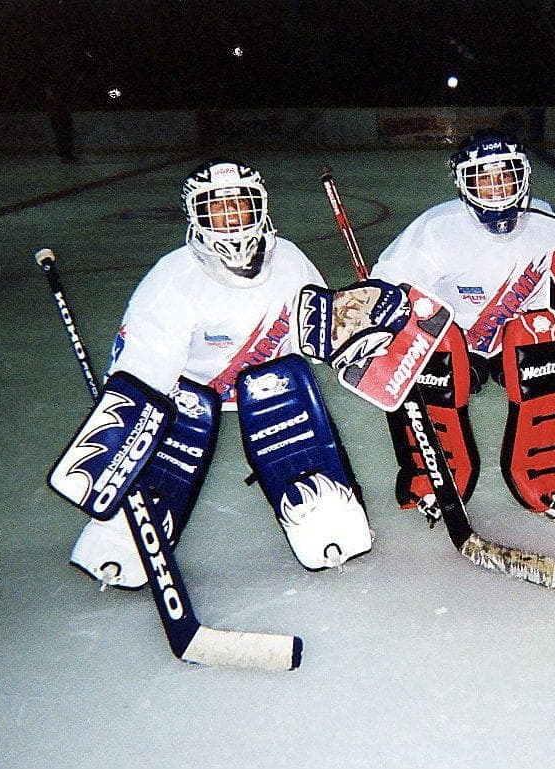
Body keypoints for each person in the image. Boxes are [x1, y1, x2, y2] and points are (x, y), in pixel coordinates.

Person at [66, 159, 371, 588]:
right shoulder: (173, 279)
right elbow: (140, 375)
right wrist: (121, 436)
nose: (230, 220)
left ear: (260, 208)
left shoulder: (290, 261)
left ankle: (319, 508)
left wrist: (361, 326)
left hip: (275, 391)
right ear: (195, 216)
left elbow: (319, 336)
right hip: (187, 396)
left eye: (240, 206)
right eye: (216, 208)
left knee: (282, 396)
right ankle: (134, 519)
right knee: (172, 422)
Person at [371, 128, 555, 525]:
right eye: (483, 177)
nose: (496, 188)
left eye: (505, 175)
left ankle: (546, 471)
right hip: (456, 343)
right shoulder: (437, 228)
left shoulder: (547, 223)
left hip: (521, 344)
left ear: (522, 176)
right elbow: (387, 284)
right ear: (463, 183)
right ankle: (433, 475)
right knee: (429, 352)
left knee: (552, 337)